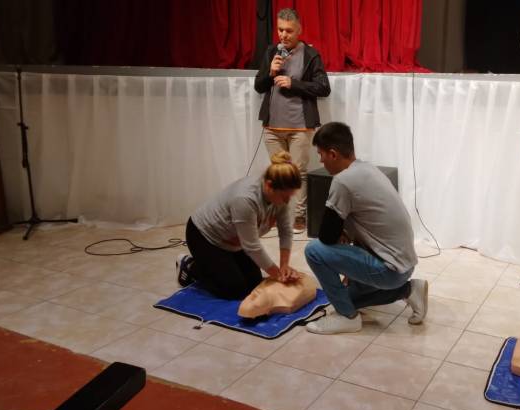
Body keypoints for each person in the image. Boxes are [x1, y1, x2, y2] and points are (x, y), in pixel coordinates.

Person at [303, 122, 428, 334]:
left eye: (321, 154)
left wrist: (341, 244)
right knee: (346, 297)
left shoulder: (343, 181)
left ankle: (347, 318)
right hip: (404, 265)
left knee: (314, 251)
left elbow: (326, 236)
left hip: (390, 270)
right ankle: (409, 289)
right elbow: (365, 226)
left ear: (333, 154)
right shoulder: (367, 168)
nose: (321, 161)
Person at [177, 151, 302, 300]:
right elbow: (252, 246)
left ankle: (215, 265)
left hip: (235, 242)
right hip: (204, 237)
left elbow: (286, 231)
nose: (288, 201)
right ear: (269, 186)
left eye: (290, 196)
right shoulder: (245, 199)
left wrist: (284, 266)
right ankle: (191, 266)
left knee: (254, 283)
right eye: (285, 196)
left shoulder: (280, 191)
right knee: (234, 289)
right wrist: (278, 275)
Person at [254, 8, 331, 234]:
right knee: (278, 173)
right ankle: (279, 214)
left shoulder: (310, 55)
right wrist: (270, 72)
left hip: (300, 125)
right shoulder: (271, 52)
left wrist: (293, 83)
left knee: (298, 172)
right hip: (272, 127)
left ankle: (298, 216)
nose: (283, 35)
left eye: (289, 30)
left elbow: (323, 87)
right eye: (280, 30)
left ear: (299, 30)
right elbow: (259, 86)